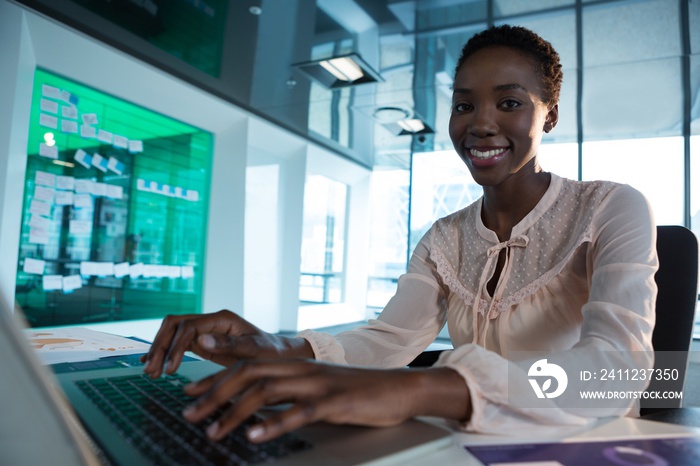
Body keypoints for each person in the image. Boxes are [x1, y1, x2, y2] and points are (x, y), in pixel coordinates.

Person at [141, 25, 657, 443]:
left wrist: (428, 389)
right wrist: (279, 346)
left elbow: (615, 370)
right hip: (470, 441)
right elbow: (388, 341)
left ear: (551, 116)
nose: (479, 123)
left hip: (589, 441)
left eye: (509, 103)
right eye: (463, 105)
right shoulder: (444, 237)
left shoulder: (611, 207)